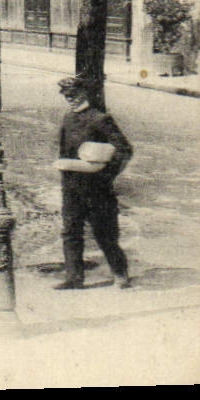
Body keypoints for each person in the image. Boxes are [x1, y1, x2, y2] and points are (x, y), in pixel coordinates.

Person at [54, 74, 134, 290]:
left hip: (96, 189)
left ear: (85, 93)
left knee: (104, 233)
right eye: (66, 95)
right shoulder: (68, 118)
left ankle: (120, 273)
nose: (70, 98)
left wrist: (105, 176)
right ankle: (74, 278)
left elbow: (124, 150)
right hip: (72, 187)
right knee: (71, 231)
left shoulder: (100, 119)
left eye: (74, 94)